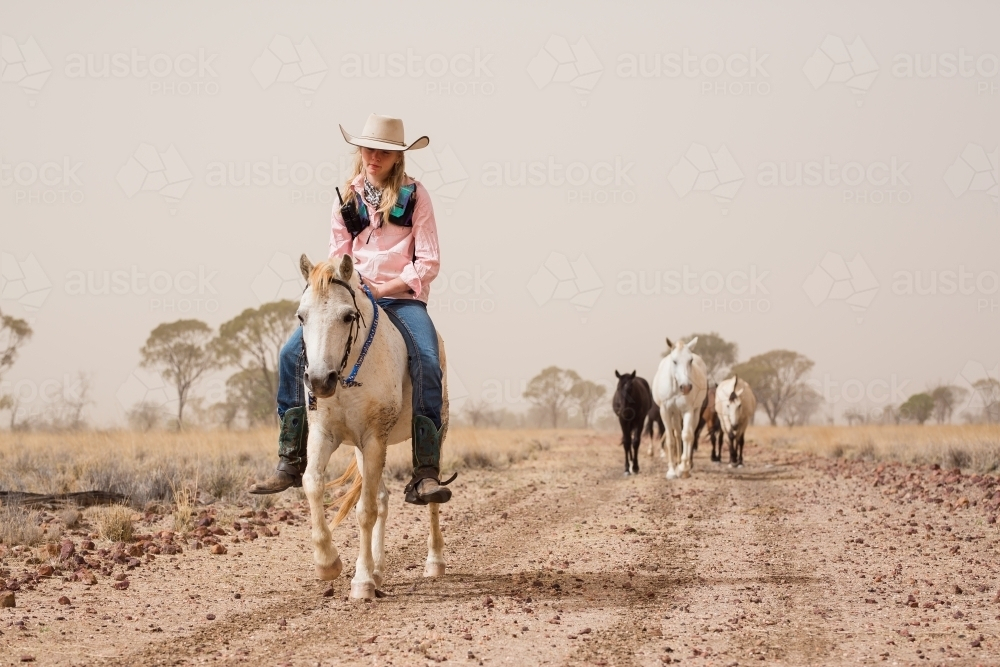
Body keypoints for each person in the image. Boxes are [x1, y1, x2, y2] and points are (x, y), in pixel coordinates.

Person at [249, 113, 452, 505]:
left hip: (401, 298)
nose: (372, 156)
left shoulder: (417, 195)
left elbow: (428, 262)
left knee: (427, 357)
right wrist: (342, 287)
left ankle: (425, 471)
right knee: (291, 352)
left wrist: (385, 286)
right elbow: (338, 254)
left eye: (383, 151)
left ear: (397, 157)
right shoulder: (346, 197)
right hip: (353, 296)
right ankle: (290, 458)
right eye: (367, 148)